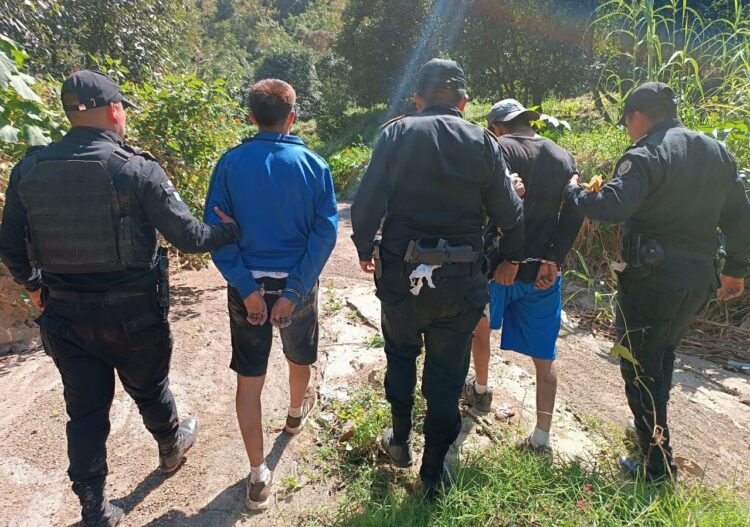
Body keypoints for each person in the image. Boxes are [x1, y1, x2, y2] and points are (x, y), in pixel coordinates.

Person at [0, 70, 239, 527]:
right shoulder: (136, 169)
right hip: (133, 316)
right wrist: (229, 230)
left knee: (85, 412)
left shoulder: (29, 170)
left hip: (65, 315)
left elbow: (10, 244)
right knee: (150, 389)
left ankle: (94, 510)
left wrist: (33, 286)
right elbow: (190, 237)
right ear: (114, 111)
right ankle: (170, 448)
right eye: (123, 108)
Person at [351, 59, 524, 498]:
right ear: (463, 103)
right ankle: (432, 474)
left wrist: (365, 248)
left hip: (402, 280)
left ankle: (399, 442)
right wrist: (512, 223)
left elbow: (367, 204)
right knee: (447, 378)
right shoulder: (484, 142)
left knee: (400, 356)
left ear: (418, 99)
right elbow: (509, 215)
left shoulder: (395, 134)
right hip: (460, 284)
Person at [564, 82, 750, 480]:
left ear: (636, 116)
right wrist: (735, 269)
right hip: (698, 279)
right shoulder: (717, 152)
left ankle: (655, 464)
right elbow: (739, 216)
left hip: (654, 278)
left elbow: (612, 206)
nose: (628, 131)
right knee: (661, 354)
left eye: (626, 122)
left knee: (639, 364)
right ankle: (652, 436)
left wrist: (574, 192)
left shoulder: (647, 153)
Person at [204, 79, 338, 511]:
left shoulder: (229, 164)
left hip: (247, 290)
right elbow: (325, 233)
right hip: (296, 286)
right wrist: (294, 291)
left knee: (249, 378)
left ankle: (258, 474)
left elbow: (216, 232)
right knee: (299, 357)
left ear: (251, 117)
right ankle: (295, 414)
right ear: (292, 116)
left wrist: (247, 289)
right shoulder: (313, 165)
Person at [462, 100, 584, 455]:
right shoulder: (563, 157)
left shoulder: (497, 148)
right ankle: (542, 438)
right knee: (545, 358)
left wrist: (507, 259)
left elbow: (492, 207)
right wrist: (554, 259)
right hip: (542, 273)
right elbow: (575, 209)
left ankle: (481, 390)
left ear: (497, 127)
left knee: (480, 329)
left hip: (499, 268)